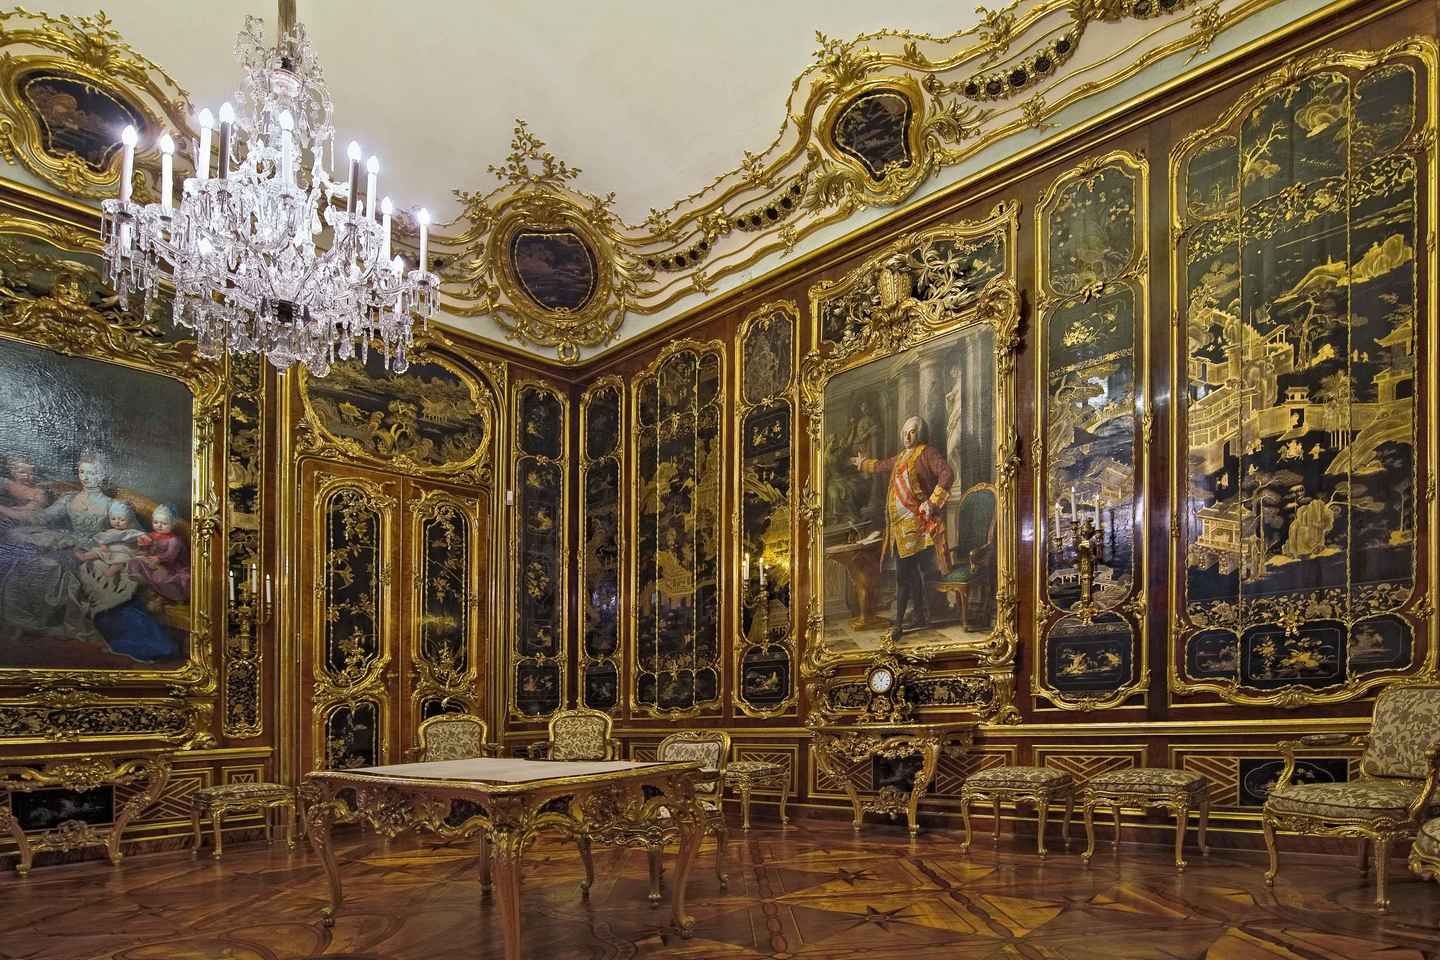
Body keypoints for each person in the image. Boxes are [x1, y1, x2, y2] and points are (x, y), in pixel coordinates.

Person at [851, 415, 954, 641]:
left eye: (912, 431)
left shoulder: (927, 452)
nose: (907, 436)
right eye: (905, 432)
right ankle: (919, 616)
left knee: (902, 575)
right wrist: (863, 464)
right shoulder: (900, 457)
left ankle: (898, 624)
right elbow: (882, 465)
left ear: (920, 433)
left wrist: (932, 502)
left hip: (916, 525)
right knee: (911, 573)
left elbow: (947, 473)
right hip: (898, 526)